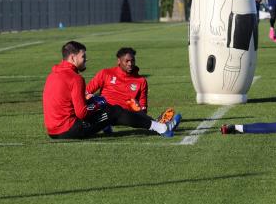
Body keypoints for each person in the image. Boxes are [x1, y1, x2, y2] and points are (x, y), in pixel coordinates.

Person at [42, 41, 181, 139]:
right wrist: (99, 104)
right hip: (69, 130)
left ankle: (155, 125)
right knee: (114, 110)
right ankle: (162, 128)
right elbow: (82, 113)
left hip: (52, 131)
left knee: (103, 105)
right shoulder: (76, 78)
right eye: (83, 56)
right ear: (72, 57)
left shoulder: (52, 75)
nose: (86, 59)